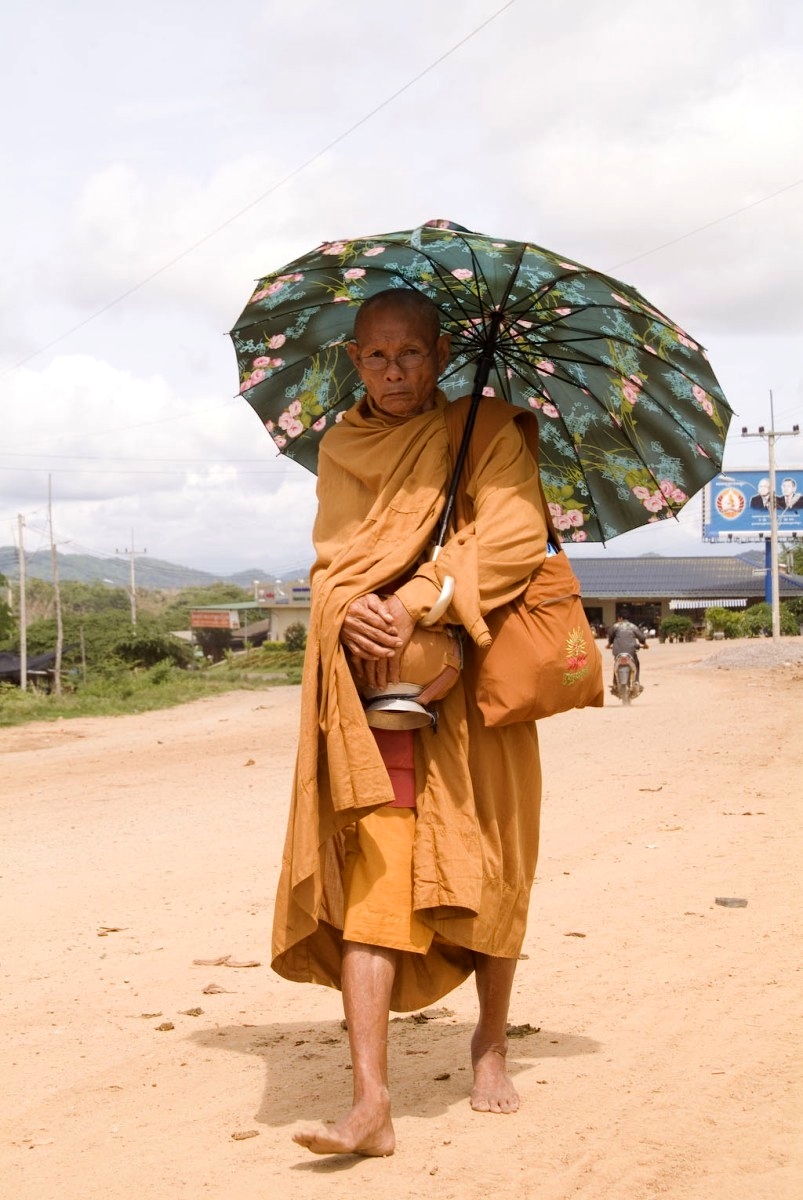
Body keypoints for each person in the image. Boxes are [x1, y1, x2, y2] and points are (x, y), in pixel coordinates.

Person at [271, 288, 549, 1157]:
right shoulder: (343, 445)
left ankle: (489, 1044)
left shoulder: (490, 431)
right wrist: (351, 608)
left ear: (441, 356)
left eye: (412, 355)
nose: (394, 373)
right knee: (374, 887)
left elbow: (513, 538)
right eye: (376, 357)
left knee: (490, 865)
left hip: (474, 684)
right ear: (354, 361)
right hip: (378, 691)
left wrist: (424, 597)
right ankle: (370, 1104)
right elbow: (333, 562)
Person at [607, 615, 647, 685]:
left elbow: (610, 636)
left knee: (616, 662)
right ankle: (636, 681)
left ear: (620, 618)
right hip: (631, 652)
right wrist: (644, 644)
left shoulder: (615, 626)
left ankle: (615, 682)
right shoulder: (633, 626)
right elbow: (642, 638)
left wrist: (609, 644)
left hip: (617, 652)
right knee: (636, 663)